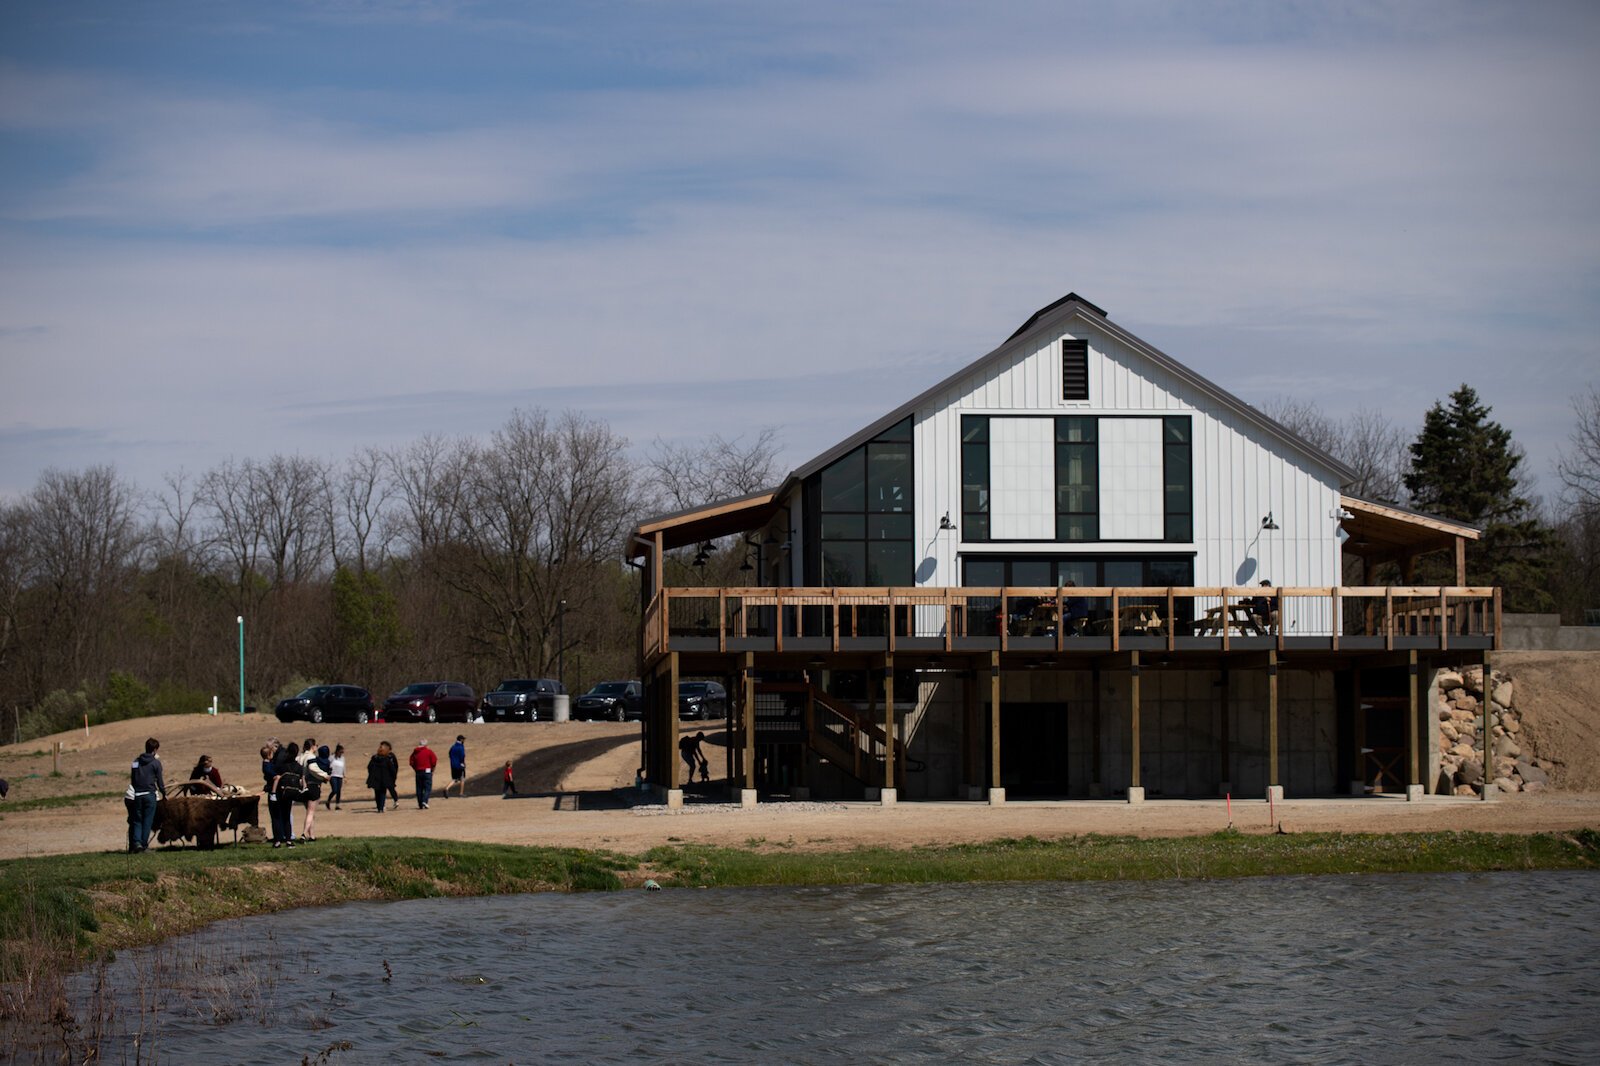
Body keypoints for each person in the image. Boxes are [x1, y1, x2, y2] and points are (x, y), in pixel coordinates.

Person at [125, 737, 166, 853]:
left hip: (137, 794)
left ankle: (136, 843)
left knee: (137, 820)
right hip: (149, 794)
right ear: (155, 750)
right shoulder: (156, 763)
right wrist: (164, 793)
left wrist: (137, 789)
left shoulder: (135, 762)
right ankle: (143, 845)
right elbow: (160, 781)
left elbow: (133, 779)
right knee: (147, 821)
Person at [266, 742, 302, 847]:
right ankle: (289, 840)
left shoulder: (281, 766)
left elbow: (273, 775)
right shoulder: (298, 767)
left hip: (279, 793)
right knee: (287, 817)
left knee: (277, 817)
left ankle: (277, 841)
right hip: (290, 794)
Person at [296, 739, 330, 842]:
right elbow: (312, 768)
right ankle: (304, 834)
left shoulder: (299, 757)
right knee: (310, 812)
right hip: (312, 786)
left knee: (309, 812)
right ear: (313, 746)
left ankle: (312, 835)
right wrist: (325, 775)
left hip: (301, 786)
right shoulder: (311, 757)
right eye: (316, 745)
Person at [367, 741, 399, 812]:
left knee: (377, 793)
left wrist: (372, 775)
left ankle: (379, 807)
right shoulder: (387, 759)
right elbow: (392, 770)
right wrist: (392, 778)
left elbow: (369, 767)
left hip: (376, 779)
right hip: (384, 779)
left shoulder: (374, 758)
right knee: (382, 793)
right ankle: (381, 807)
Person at [410, 739, 438, 809]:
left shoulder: (415, 752)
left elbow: (411, 762)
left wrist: (415, 768)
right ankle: (424, 801)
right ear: (426, 745)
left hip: (418, 772)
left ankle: (420, 804)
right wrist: (432, 770)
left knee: (419, 788)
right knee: (427, 788)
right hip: (427, 771)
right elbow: (434, 761)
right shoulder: (428, 752)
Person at [327, 744, 346, 810]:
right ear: (337, 751)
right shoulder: (331, 757)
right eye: (340, 752)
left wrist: (344, 775)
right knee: (335, 790)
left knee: (339, 791)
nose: (341, 753)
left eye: (342, 752)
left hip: (340, 776)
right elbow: (328, 765)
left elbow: (343, 767)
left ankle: (337, 805)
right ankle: (328, 801)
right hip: (333, 775)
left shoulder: (342, 758)